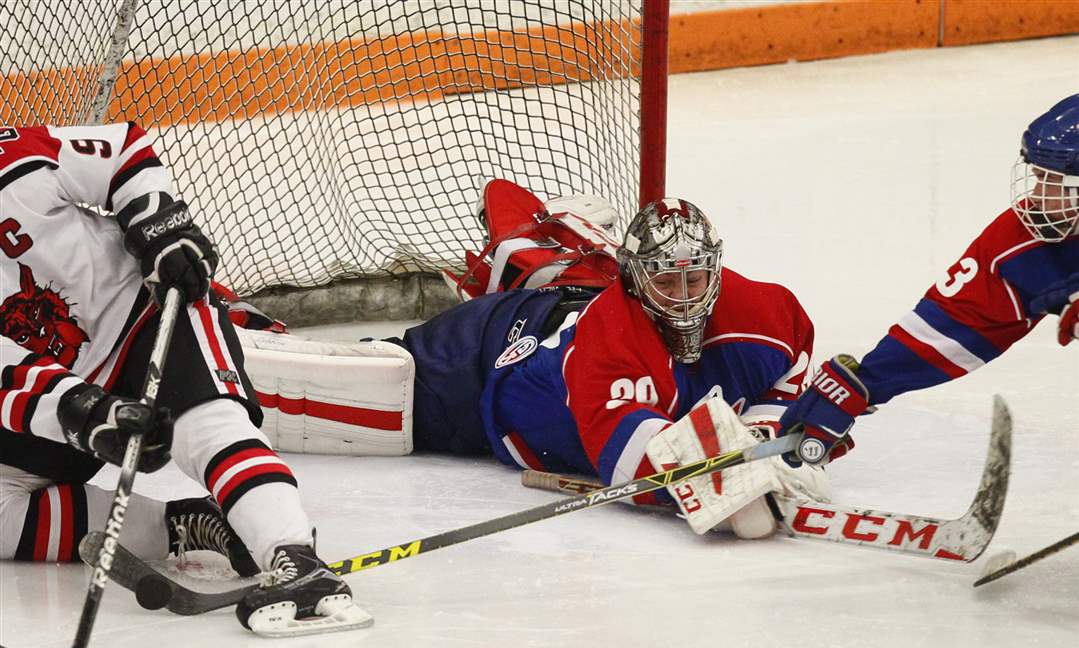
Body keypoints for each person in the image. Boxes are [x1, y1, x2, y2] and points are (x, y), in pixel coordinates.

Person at [0, 123, 369, 635]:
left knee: (207, 423)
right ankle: (186, 524)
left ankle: (294, 558)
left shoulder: (13, 149)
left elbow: (120, 151)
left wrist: (159, 228)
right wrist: (80, 410)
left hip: (147, 312)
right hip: (54, 391)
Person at [376, 180, 831, 537]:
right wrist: (735, 481)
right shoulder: (610, 338)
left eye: (694, 279)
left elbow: (790, 369)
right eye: (667, 284)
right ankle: (521, 254)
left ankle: (554, 241)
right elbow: (632, 463)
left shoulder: (766, 312)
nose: (684, 299)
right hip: (486, 364)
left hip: (576, 298)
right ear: (633, 279)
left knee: (567, 276)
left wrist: (768, 434)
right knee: (372, 389)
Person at [777, 94, 1079, 466]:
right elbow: (958, 320)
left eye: (1051, 182)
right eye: (1038, 178)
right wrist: (864, 386)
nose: (1035, 196)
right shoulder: (1024, 240)